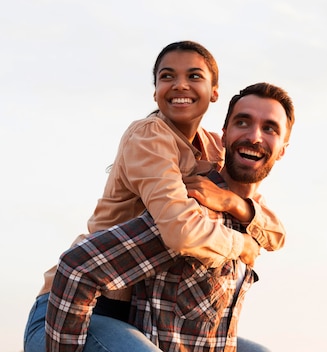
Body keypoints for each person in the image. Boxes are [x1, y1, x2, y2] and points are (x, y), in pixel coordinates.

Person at [23, 41, 285, 351]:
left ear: (215, 92)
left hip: (138, 315)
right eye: (167, 76)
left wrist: (233, 203)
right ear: (156, 90)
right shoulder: (150, 136)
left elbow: (273, 231)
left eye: (194, 76)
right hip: (79, 305)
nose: (180, 85)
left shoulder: (214, 147)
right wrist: (239, 244)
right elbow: (180, 231)